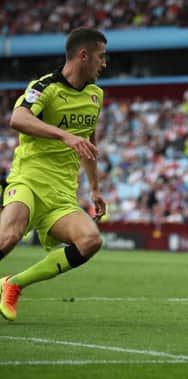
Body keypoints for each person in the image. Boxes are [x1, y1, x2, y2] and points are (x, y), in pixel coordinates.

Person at [0, 27, 107, 321]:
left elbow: (88, 142)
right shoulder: (44, 86)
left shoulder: (96, 95)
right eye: (101, 56)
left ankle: (13, 284)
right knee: (8, 237)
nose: (104, 63)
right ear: (83, 56)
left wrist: (95, 188)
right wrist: (65, 136)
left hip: (61, 194)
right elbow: (17, 118)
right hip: (28, 181)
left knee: (90, 241)